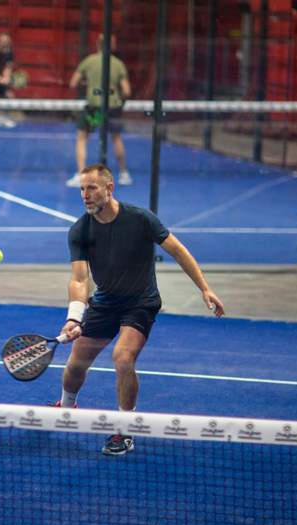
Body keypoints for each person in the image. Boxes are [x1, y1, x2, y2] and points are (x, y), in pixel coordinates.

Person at [55, 164, 224, 456]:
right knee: (76, 364)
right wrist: (73, 317)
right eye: (82, 189)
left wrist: (204, 288)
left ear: (109, 189)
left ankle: (125, 429)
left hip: (140, 302)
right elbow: (80, 279)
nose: (85, 195)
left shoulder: (140, 219)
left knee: (122, 357)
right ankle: (66, 408)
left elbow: (178, 250)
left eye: (91, 188)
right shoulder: (80, 230)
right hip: (105, 302)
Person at [66, 35, 132, 187]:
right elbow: (127, 91)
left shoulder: (89, 61)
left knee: (82, 138)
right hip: (112, 108)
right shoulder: (118, 64)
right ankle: (124, 174)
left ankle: (81, 175)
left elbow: (73, 83)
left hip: (95, 109)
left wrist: (89, 83)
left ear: (97, 45)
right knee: (116, 138)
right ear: (113, 46)